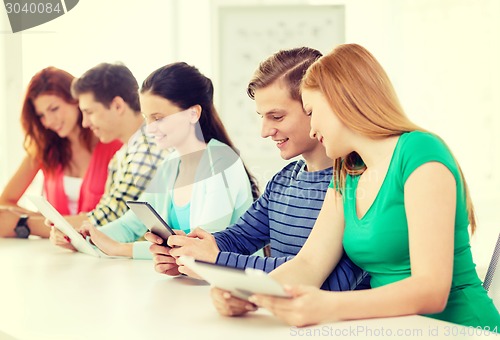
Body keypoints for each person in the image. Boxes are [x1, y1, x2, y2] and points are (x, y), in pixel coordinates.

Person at [230, 43, 500, 330]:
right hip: (399, 329)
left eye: (312, 111)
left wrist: (327, 307)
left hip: (461, 329)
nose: (311, 129)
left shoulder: (420, 153)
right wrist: (247, 294)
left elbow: (431, 291)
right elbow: (309, 264)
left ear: (340, 104)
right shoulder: (347, 171)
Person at [145, 48, 367, 303]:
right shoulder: (284, 180)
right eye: (262, 117)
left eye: (277, 116)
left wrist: (216, 261)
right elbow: (239, 238)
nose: (264, 131)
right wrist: (189, 251)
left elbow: (319, 277)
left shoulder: (357, 181)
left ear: (314, 107)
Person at [54, 62, 258, 259]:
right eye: (147, 117)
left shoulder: (222, 163)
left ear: (193, 113)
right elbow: (130, 225)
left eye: (158, 118)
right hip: (189, 283)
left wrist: (122, 249)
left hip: (228, 286)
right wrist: (83, 238)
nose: (150, 128)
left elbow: (202, 248)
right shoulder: (170, 165)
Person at [44, 62, 166, 248]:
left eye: (89, 112)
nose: (85, 123)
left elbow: (112, 215)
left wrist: (71, 230)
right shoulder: (122, 154)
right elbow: (106, 215)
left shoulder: (148, 150)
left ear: (117, 106)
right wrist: (73, 234)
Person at [0, 67, 122, 238]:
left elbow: (118, 218)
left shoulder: (113, 144)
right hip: (57, 253)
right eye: (41, 115)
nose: (48, 121)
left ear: (75, 100)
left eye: (54, 109)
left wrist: (31, 224)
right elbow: (5, 202)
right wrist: (46, 222)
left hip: (104, 253)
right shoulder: (44, 148)